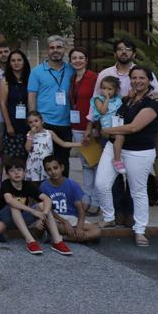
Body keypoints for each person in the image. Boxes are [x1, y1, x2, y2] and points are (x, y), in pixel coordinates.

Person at [96, 65, 158, 247]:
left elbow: (134, 127)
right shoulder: (128, 100)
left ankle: (140, 229)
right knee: (101, 183)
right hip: (114, 146)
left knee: (138, 191)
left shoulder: (154, 102)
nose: (137, 81)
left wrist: (108, 130)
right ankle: (109, 216)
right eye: (134, 78)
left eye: (141, 78)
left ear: (149, 80)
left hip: (139, 151)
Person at [0, 160, 72, 255]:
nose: (16, 173)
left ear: (25, 172)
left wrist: (44, 215)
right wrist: (33, 211)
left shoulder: (27, 185)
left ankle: (57, 241)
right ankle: (30, 241)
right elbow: (9, 200)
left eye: (19, 170)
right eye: (12, 171)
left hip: (20, 218)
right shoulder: (6, 184)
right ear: (7, 174)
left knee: (43, 205)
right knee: (14, 205)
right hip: (5, 218)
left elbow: (47, 199)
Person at [27, 35, 73, 174]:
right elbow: (32, 96)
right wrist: (33, 124)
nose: (55, 50)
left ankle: (63, 194)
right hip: (44, 124)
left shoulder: (71, 70)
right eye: (52, 47)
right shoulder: (37, 71)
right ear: (47, 50)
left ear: (64, 49)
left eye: (59, 47)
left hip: (65, 123)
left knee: (63, 162)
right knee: (42, 162)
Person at [68, 47, 100, 212]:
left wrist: (91, 127)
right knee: (85, 165)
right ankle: (87, 197)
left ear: (87, 60)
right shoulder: (73, 78)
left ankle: (95, 200)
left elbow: (98, 103)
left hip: (91, 128)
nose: (78, 61)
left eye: (81, 57)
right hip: (76, 126)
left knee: (94, 164)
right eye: (74, 58)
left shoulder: (94, 78)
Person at [40, 156, 100, 243]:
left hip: (73, 218)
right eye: (49, 169)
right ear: (46, 172)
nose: (53, 171)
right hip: (56, 219)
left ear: (62, 168)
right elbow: (46, 209)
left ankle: (61, 238)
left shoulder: (73, 185)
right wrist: (64, 222)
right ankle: (81, 238)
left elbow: (81, 210)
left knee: (97, 231)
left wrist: (79, 227)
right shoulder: (44, 186)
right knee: (49, 223)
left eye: (55, 168)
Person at [25, 111, 80, 183]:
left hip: (47, 164)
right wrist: (31, 135)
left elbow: (63, 143)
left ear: (42, 121)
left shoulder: (49, 133)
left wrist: (79, 144)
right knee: (34, 186)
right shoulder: (30, 134)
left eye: (36, 121)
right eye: (30, 122)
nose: (34, 124)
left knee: (48, 184)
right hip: (34, 165)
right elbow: (27, 148)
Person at [0, 49, 31, 164]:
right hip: (13, 122)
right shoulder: (5, 80)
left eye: (19, 60)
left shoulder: (31, 78)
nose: (16, 63)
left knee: (28, 157)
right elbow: (2, 103)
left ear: (24, 62)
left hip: (29, 123)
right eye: (13, 60)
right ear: (9, 63)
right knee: (11, 159)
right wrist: (8, 125)